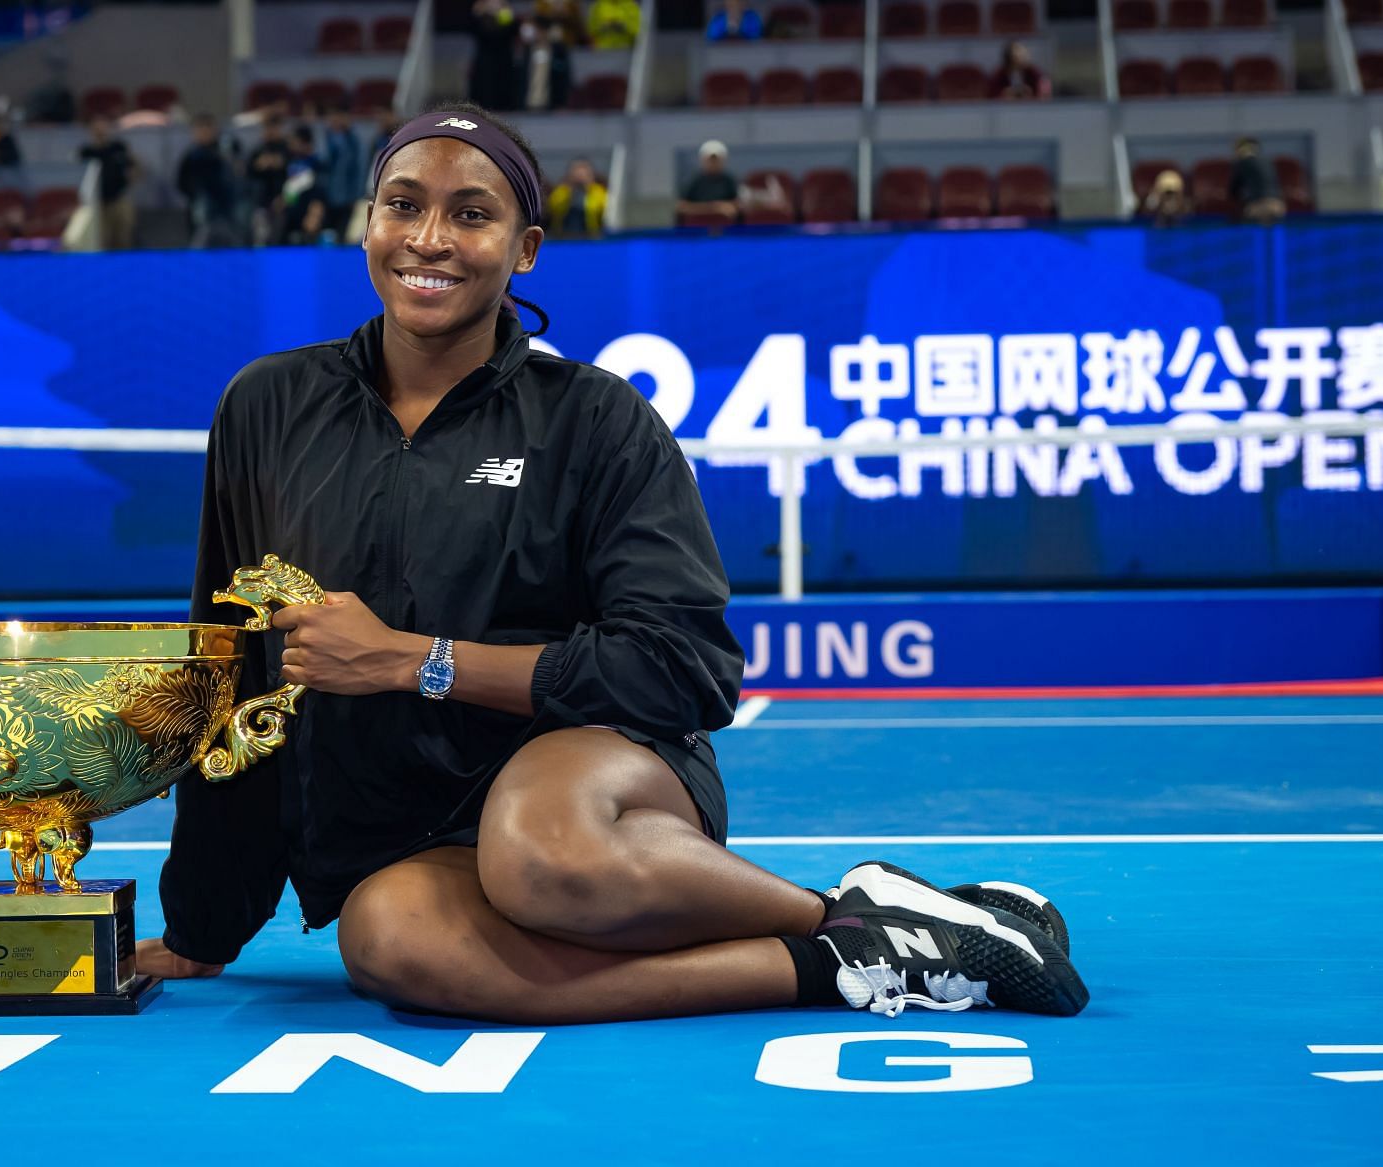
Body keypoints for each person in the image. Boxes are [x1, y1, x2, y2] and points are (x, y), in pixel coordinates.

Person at [136, 100, 1089, 1026]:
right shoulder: (266, 406)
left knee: (535, 849)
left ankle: (847, 911)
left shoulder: (597, 419)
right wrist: (204, 923)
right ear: (368, 224)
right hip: (402, 836)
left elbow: (685, 668)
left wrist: (411, 658)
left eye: (472, 213)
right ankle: (845, 955)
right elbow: (230, 666)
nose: (430, 237)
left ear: (525, 249)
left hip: (599, 781)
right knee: (391, 944)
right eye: (403, 204)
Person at [78, 113, 139, 249]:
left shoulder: (118, 147)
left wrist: (131, 178)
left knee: (123, 237)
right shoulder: (86, 152)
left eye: (103, 126)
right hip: (97, 202)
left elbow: (134, 166)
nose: (101, 130)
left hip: (119, 198)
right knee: (101, 240)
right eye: (96, 127)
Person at [177, 113, 238, 248]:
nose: (204, 132)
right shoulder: (192, 156)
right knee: (201, 245)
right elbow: (181, 183)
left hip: (227, 208)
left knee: (230, 246)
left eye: (208, 128)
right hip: (202, 210)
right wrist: (196, 195)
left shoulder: (227, 149)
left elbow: (237, 174)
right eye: (200, 129)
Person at [320, 105, 368, 240]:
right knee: (326, 236)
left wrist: (357, 196)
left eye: (339, 116)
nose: (335, 120)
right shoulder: (326, 139)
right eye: (332, 117)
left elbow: (359, 170)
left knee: (344, 235)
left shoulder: (355, 142)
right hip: (327, 197)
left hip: (347, 198)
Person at [277, 125, 329, 245]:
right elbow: (290, 188)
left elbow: (320, 191)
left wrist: (315, 212)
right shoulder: (291, 161)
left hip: (308, 218)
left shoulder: (317, 163)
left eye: (293, 141)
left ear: (303, 142)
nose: (290, 144)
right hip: (291, 216)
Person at [246, 117, 292, 247]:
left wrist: (286, 198)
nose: (271, 131)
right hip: (261, 204)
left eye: (274, 127)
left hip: (285, 204)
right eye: (267, 128)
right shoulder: (257, 151)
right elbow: (248, 175)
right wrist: (259, 165)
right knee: (261, 241)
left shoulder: (289, 151)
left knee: (281, 241)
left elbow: (297, 179)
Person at [470, 1, 523, 112]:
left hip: (503, 55)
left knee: (504, 81)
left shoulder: (505, 12)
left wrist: (503, 14)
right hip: (486, 56)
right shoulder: (480, 13)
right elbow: (478, 32)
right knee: (485, 82)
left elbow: (511, 32)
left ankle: (504, 106)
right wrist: (480, 14)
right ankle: (484, 107)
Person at [677, 139, 741, 225]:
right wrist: (715, 208)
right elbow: (682, 207)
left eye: (716, 160)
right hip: (696, 231)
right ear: (703, 160)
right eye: (710, 160)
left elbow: (738, 205)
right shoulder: (694, 181)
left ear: (723, 161)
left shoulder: (729, 181)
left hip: (725, 231)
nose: (713, 163)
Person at [519, 17, 574, 111]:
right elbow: (522, 79)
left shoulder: (558, 51)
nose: (536, 33)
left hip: (551, 105)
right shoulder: (528, 50)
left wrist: (561, 104)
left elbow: (564, 78)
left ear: (545, 31)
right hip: (528, 105)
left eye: (538, 30)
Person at [1229, 136, 1286, 226]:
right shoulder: (1267, 162)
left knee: (1251, 232)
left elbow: (1233, 191)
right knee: (1275, 234)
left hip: (1258, 206)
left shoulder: (1241, 163)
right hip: (1278, 206)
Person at [545, 156, 607, 237]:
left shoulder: (598, 192)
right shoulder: (562, 191)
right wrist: (570, 192)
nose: (580, 177)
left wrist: (587, 189)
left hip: (590, 236)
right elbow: (553, 208)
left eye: (583, 173)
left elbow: (605, 210)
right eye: (576, 173)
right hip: (564, 236)